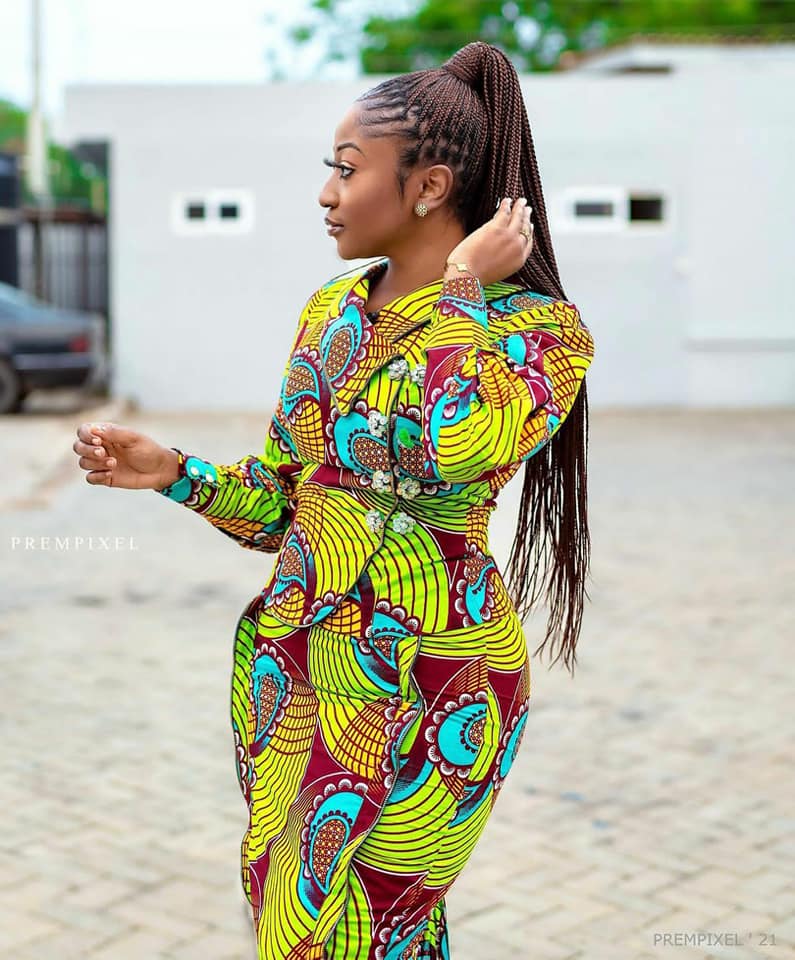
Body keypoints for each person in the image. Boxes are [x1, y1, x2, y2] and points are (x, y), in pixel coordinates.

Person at [73, 40, 594, 960]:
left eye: (347, 170)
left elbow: (456, 443)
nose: (325, 194)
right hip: (301, 663)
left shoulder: (541, 331)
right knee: (295, 918)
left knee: (373, 930)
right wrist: (175, 473)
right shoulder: (332, 312)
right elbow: (289, 501)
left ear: (428, 187)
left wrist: (463, 291)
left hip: (438, 674)